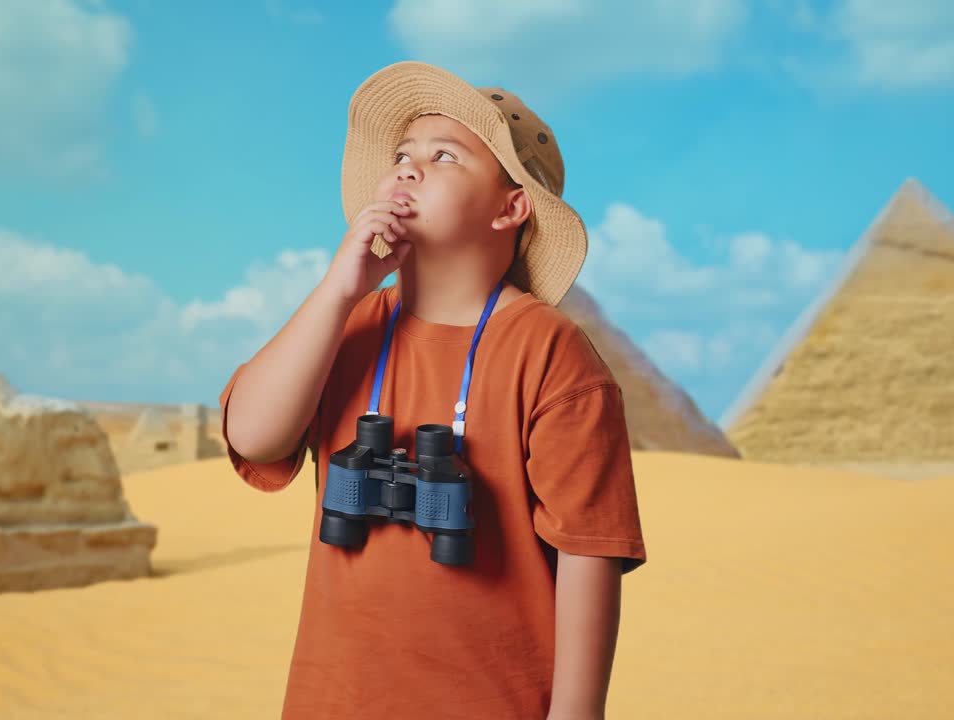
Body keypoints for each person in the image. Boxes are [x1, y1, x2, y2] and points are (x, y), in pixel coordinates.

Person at [219, 60, 647, 719]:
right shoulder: (347, 324)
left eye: (444, 156)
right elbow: (253, 436)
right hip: (333, 701)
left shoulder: (549, 352)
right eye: (401, 154)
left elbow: (587, 556)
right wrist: (339, 290)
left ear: (511, 208)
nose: (408, 169)